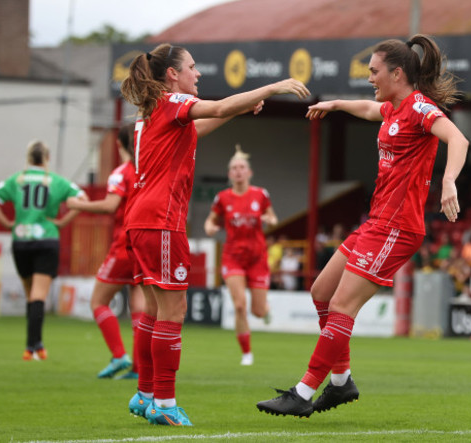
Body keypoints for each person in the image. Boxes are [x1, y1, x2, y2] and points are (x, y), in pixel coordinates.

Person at [256, 34, 468, 417]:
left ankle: (303, 392)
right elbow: (369, 110)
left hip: (398, 227)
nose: (370, 79)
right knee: (321, 292)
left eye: (374, 72)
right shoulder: (392, 109)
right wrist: (336, 104)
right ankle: (340, 383)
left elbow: (458, 138)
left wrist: (449, 180)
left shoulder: (420, 108)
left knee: (341, 304)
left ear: (397, 73)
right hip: (376, 222)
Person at [120, 43, 310, 426]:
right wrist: (274, 87)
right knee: (173, 312)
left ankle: (145, 394)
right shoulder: (173, 101)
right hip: (160, 220)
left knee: (155, 311)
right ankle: (165, 403)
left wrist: (241, 106)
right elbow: (219, 107)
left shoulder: (149, 113)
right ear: (172, 74)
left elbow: (206, 122)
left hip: (139, 220)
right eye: (192, 67)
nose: (198, 73)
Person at [0, 140, 87, 360]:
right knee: (39, 295)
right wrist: (64, 221)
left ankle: (32, 346)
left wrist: (6, 223)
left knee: (30, 293)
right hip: (46, 238)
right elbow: (82, 199)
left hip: (20, 240)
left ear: (29, 158)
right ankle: (34, 346)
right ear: (47, 158)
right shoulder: (57, 181)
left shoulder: (16, 180)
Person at [66, 124, 145, 379]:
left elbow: (111, 205)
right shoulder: (147, 169)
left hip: (123, 244)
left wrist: (80, 204)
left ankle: (119, 355)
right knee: (139, 309)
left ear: (118, 145)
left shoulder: (121, 172)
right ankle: (139, 368)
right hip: (144, 244)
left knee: (98, 301)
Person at [203, 145, 277, 366]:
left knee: (257, 310)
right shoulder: (222, 198)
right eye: (234, 168)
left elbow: (271, 216)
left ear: (249, 172)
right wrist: (209, 228)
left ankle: (265, 309)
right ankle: (246, 353)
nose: (238, 171)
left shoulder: (260, 194)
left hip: (257, 258)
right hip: (233, 256)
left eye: (241, 167)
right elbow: (211, 220)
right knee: (239, 306)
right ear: (229, 174)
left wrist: (270, 220)